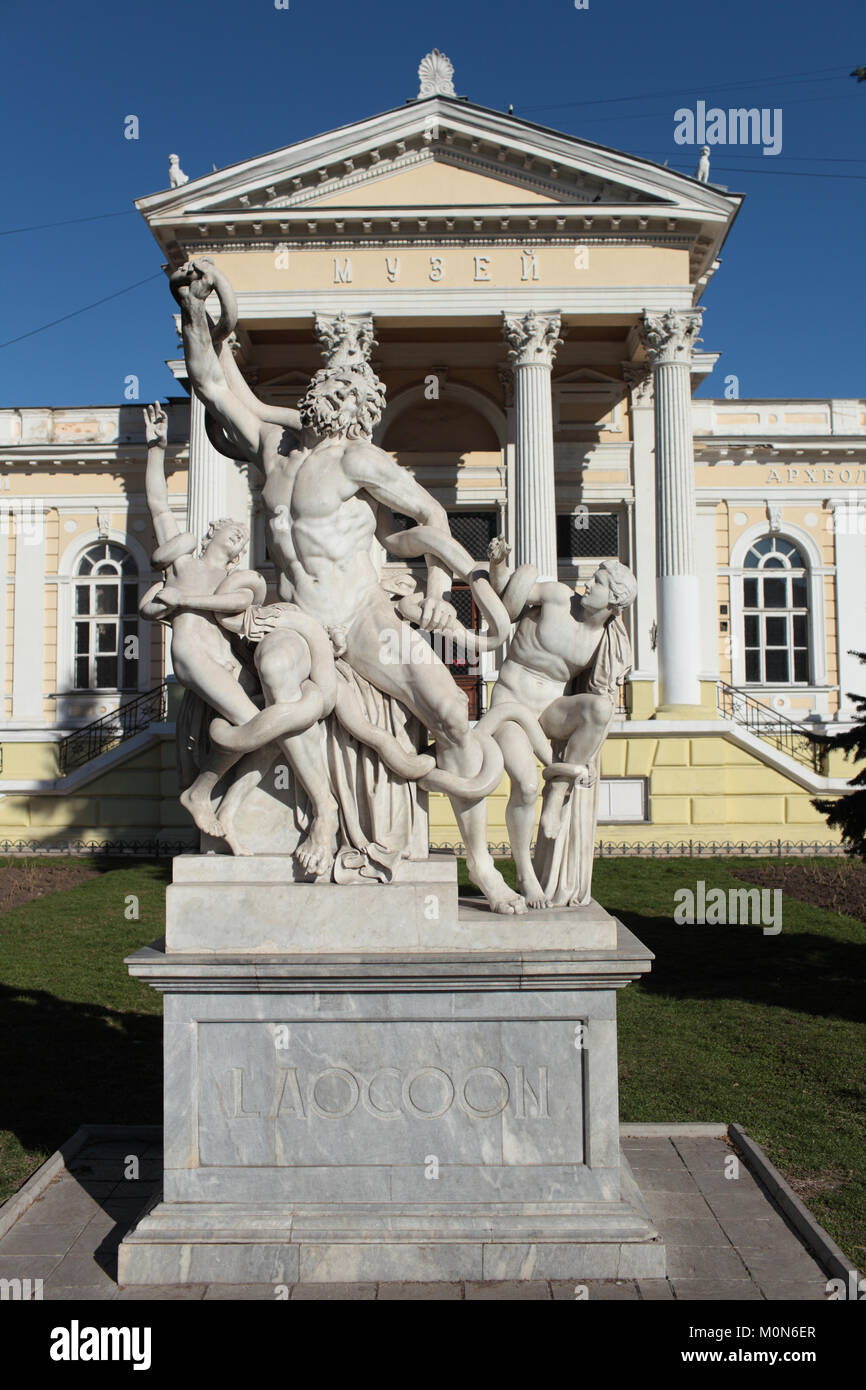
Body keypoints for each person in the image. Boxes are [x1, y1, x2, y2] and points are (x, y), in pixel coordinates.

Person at [168, 259, 526, 911]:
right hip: (299, 618)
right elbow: (211, 381)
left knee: (450, 712)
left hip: (364, 618)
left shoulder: (360, 459)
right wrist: (196, 311)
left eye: (347, 389)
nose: (338, 397)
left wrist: (442, 593)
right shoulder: (275, 452)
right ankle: (325, 813)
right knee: (279, 669)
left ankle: (483, 864)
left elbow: (432, 516)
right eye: (335, 388)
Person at [487, 538, 636, 907]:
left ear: (614, 602)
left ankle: (559, 788)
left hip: (550, 710)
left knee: (600, 709)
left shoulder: (603, 641)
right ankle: (524, 872)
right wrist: (499, 564)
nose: (588, 584)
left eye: (599, 582)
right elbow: (507, 598)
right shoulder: (555, 596)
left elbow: (602, 693)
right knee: (523, 785)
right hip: (510, 703)